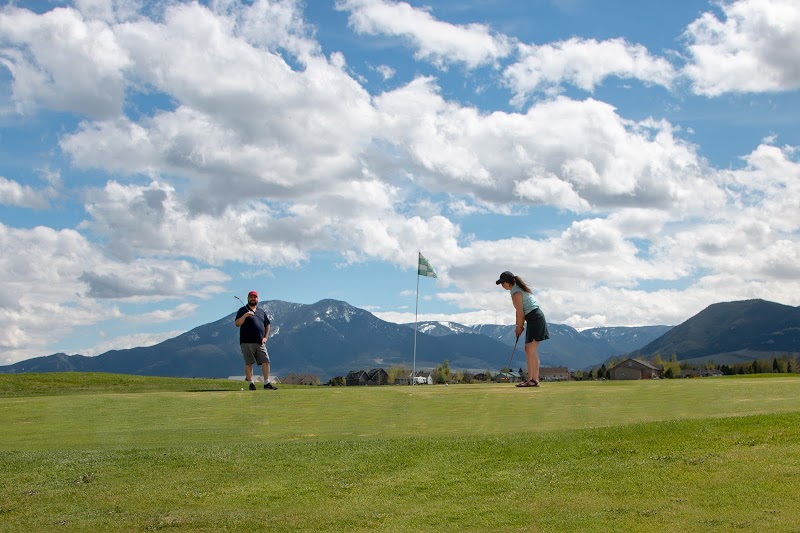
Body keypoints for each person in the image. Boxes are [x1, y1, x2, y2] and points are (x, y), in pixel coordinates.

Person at [496, 271, 549, 387]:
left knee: (531, 350)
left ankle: (534, 380)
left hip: (536, 318)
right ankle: (530, 379)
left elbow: (521, 314)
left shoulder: (516, 294)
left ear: (507, 283)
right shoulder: (515, 291)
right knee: (528, 349)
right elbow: (518, 312)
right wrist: (518, 327)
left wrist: (520, 327)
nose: (502, 286)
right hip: (533, 319)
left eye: (502, 283)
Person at [235, 290, 277, 390]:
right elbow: (237, 323)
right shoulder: (242, 310)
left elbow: (267, 325)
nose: (253, 298)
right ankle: (251, 384)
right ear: (248, 298)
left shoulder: (261, 312)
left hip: (260, 342)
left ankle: (267, 383)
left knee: (266, 361)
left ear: (257, 299)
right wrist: (245, 315)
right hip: (246, 342)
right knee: (249, 363)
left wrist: (265, 337)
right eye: (251, 297)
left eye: (255, 297)